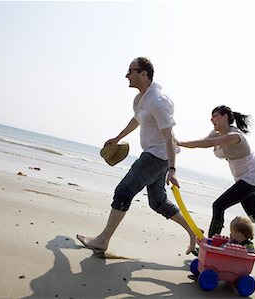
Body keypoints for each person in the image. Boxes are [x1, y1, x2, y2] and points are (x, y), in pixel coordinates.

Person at [77, 57, 196, 255]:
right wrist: (117, 138)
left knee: (123, 192)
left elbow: (170, 138)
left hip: (156, 157)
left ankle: (102, 240)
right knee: (157, 202)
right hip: (156, 156)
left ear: (144, 74)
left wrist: (172, 169)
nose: (127, 75)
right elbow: (137, 120)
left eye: (131, 71)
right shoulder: (140, 99)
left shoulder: (159, 101)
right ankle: (193, 231)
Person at [177, 105, 255, 256]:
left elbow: (206, 144)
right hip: (243, 179)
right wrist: (179, 143)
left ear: (225, 117)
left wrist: (179, 143)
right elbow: (204, 141)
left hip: (250, 178)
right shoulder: (215, 134)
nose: (211, 119)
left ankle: (210, 248)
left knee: (218, 205)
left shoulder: (235, 135)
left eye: (214, 115)